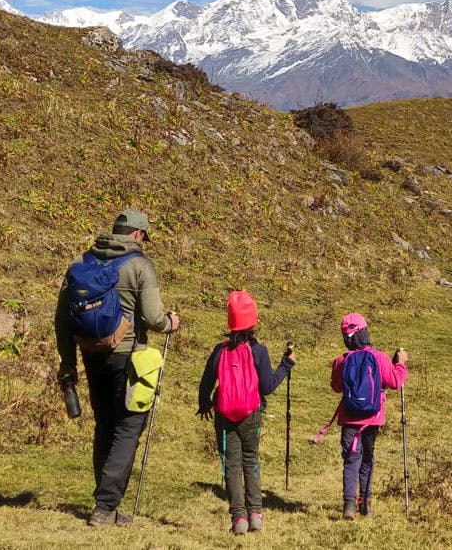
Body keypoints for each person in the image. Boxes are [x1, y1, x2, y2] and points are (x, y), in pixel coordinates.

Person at [55, 210, 181, 527]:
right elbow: (153, 318)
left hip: (91, 354)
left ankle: (106, 506)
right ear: (138, 235)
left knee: (105, 427)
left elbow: (62, 318)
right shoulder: (140, 265)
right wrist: (171, 323)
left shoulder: (82, 262)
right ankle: (105, 507)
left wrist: (68, 360)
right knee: (128, 428)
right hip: (129, 357)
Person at [198, 290, 294, 536]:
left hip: (224, 417)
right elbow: (268, 386)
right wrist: (286, 365)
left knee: (231, 466)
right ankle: (256, 514)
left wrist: (204, 404)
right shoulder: (258, 351)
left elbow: (206, 381)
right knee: (250, 461)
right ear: (253, 322)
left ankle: (238, 517)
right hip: (252, 414)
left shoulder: (219, 351)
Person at [331, 314, 408, 521]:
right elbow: (395, 381)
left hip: (349, 418)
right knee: (367, 458)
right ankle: (366, 504)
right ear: (365, 332)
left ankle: (349, 505)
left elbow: (336, 386)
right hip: (373, 418)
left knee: (351, 459)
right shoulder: (380, 357)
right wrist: (400, 363)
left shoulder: (341, 360)